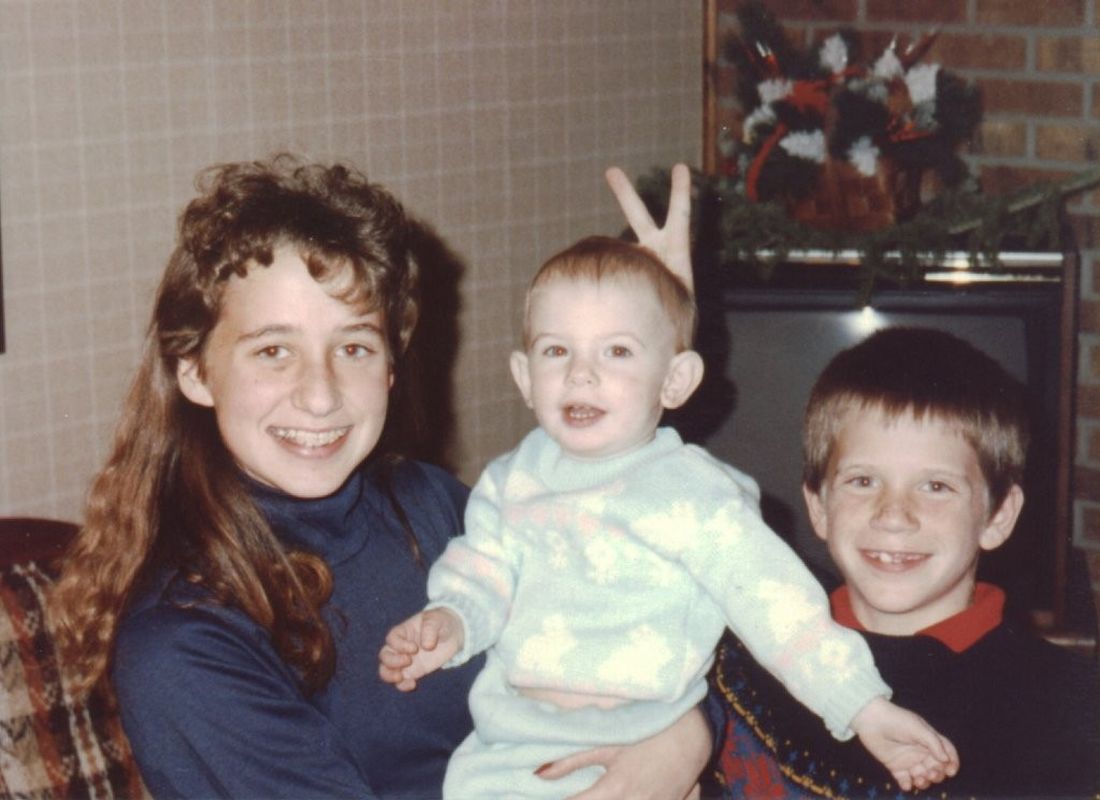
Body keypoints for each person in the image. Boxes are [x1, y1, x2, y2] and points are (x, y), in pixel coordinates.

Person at [47, 154, 716, 800]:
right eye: (274, 350)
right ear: (195, 371)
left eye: (354, 347)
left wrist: (686, 736)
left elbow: (650, 619)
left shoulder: (429, 504)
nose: (320, 395)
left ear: (391, 367)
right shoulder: (181, 642)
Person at [378, 236, 959, 799]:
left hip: (640, 740)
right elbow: (480, 573)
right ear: (525, 377)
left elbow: (781, 610)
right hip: (508, 751)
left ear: (675, 381)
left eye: (617, 351)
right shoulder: (511, 480)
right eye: (557, 351)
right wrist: (451, 620)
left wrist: (862, 706)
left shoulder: (695, 494)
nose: (581, 374)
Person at [714, 326, 1100, 799]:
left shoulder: (1072, 709)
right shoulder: (746, 659)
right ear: (819, 506)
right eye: (863, 481)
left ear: (998, 516)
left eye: (936, 486)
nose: (893, 516)